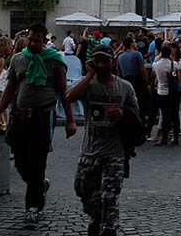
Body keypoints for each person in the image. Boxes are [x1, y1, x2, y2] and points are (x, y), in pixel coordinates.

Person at [0, 23, 77, 227]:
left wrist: (71, 121)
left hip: (43, 116)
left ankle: (33, 207)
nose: (33, 43)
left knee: (38, 161)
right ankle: (39, 186)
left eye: (37, 41)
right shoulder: (19, 59)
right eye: (30, 39)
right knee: (20, 160)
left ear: (44, 41)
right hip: (20, 116)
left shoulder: (54, 62)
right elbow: (10, 88)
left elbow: (64, 92)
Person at [62, 48, 140, 236]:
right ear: (93, 62)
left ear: (112, 62)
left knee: (109, 198)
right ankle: (96, 219)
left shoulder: (125, 87)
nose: (102, 65)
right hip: (89, 152)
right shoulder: (88, 84)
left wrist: (123, 115)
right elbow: (68, 97)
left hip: (114, 154)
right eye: (98, 61)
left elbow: (137, 117)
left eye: (105, 61)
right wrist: (89, 75)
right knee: (85, 193)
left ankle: (109, 230)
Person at [151, 44, 181, 146]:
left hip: (162, 92)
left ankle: (164, 138)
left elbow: (153, 76)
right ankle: (175, 138)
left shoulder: (156, 65)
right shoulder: (174, 64)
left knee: (164, 115)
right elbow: (179, 79)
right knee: (175, 115)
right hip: (173, 93)